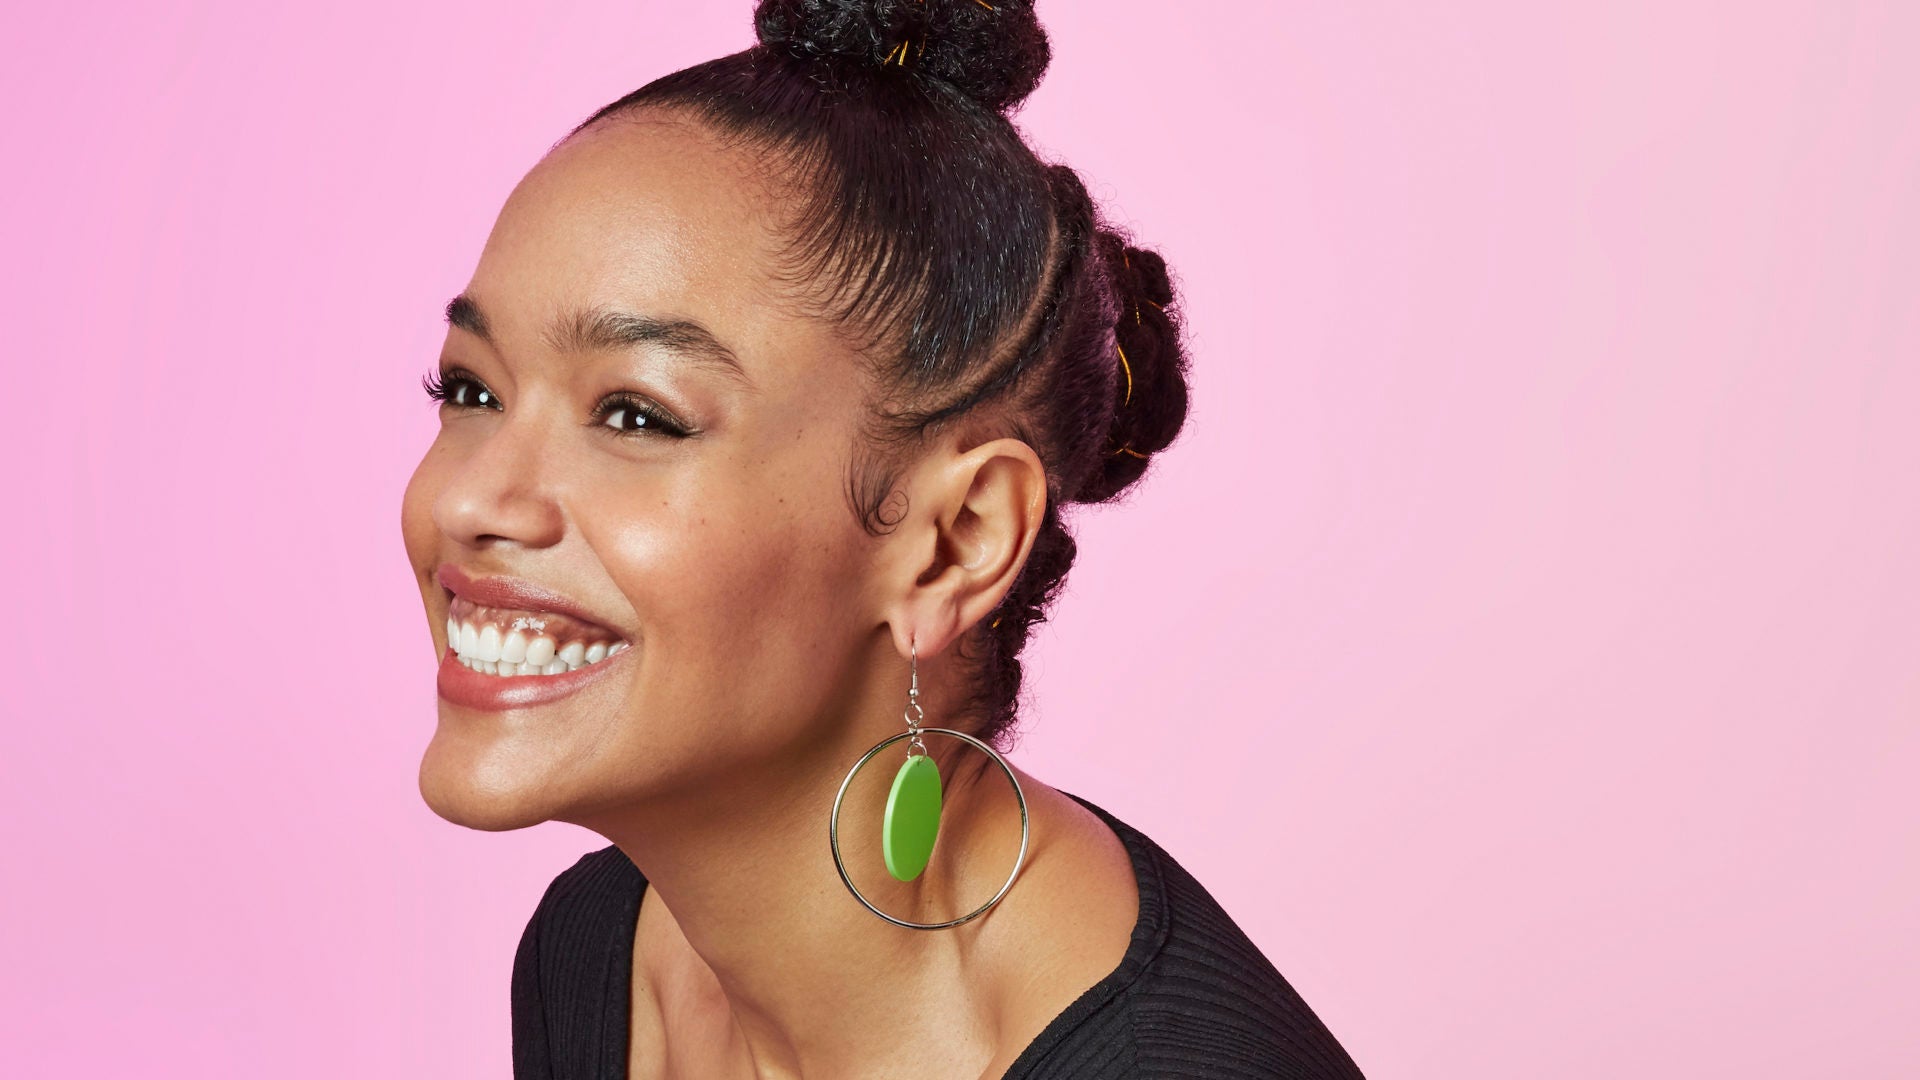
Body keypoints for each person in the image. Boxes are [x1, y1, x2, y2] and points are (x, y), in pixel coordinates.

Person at [400, 1, 1366, 1076]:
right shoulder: (593, 950)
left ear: (954, 543)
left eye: (636, 415)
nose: (467, 503)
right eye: (472, 390)